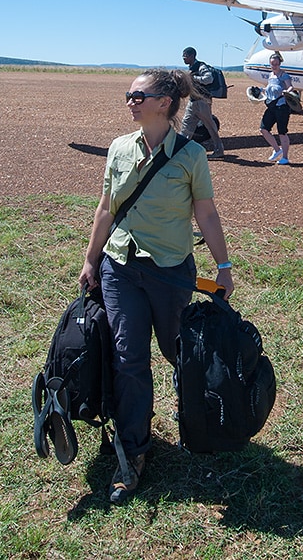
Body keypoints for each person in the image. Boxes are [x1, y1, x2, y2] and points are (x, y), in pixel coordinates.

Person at [78, 68, 234, 504]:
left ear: (165, 102)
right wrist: (91, 260)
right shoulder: (118, 149)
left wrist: (223, 266)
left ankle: (199, 423)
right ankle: (133, 451)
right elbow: (106, 209)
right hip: (120, 267)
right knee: (128, 358)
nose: (130, 101)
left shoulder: (189, 155)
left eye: (137, 95)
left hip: (169, 271)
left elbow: (206, 215)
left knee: (177, 353)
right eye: (128, 95)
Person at [179, 47, 224, 158]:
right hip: (193, 101)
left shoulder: (201, 66)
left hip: (202, 101)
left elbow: (209, 79)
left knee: (209, 125)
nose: (183, 58)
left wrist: (194, 78)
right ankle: (179, 150)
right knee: (186, 124)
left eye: (185, 56)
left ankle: (219, 150)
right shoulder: (192, 67)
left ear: (191, 56)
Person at [259, 52, 294, 165]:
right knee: (263, 129)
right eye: (272, 64)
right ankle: (277, 149)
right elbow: (270, 89)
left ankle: (285, 157)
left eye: (276, 64)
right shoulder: (270, 75)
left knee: (282, 132)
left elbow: (290, 87)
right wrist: (260, 90)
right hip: (272, 105)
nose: (274, 66)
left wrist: (286, 92)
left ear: (280, 64)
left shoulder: (284, 75)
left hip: (282, 107)